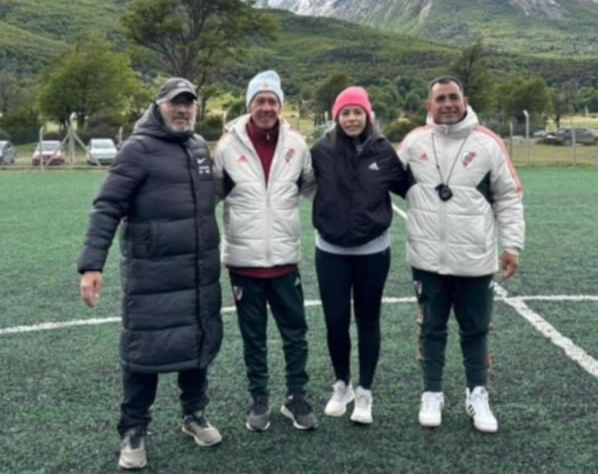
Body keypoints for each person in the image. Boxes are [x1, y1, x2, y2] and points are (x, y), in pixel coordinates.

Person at [77, 77, 223, 470]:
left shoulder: (197, 147)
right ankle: (134, 429)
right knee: (145, 352)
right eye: (176, 103)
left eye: (189, 103)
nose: (183, 109)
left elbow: (217, 193)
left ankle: (193, 415)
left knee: (197, 346)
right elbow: (107, 207)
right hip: (153, 276)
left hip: (198, 271)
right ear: (158, 106)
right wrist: (92, 264)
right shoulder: (137, 150)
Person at [398, 76, 524, 434]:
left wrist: (512, 245)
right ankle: (432, 392)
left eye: (454, 97)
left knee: (476, 330)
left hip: (475, 259)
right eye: (440, 99)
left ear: (465, 101)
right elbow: (383, 180)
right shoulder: (413, 142)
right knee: (431, 329)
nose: (448, 104)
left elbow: (509, 195)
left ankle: (478, 393)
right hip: (427, 259)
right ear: (429, 106)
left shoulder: (487, 143)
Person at [213, 69, 317, 432]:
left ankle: (296, 396)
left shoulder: (297, 145)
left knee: (295, 333)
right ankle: (259, 398)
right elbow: (210, 196)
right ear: (249, 105)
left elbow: (313, 190)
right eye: (261, 100)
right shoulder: (227, 147)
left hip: (286, 261)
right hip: (244, 262)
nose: (267, 107)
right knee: (253, 337)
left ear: (281, 106)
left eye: (273, 101)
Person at [311, 86, 409, 425]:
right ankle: (343, 385)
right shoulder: (321, 151)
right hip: (331, 252)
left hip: (372, 251)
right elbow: (301, 184)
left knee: (368, 320)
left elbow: (410, 188)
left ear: (368, 115)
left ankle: (365, 391)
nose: (352, 118)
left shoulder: (383, 151)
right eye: (346, 112)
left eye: (358, 112)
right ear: (336, 116)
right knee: (336, 320)